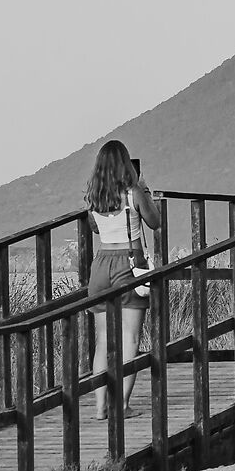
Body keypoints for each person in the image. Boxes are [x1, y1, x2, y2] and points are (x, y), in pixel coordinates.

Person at [82, 139, 161, 419]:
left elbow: (94, 227)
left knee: (103, 340)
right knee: (129, 338)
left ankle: (100, 407)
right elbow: (155, 221)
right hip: (129, 263)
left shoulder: (93, 195)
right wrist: (146, 195)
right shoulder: (134, 192)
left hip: (100, 265)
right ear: (127, 164)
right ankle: (122, 405)